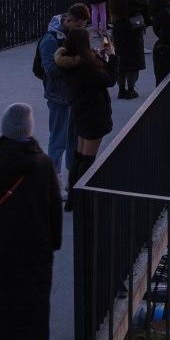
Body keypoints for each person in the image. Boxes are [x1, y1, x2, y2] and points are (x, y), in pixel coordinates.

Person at [0, 103, 62, 340]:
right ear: (30, 130)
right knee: (31, 306)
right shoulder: (44, 164)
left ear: (5, 130)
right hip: (35, 251)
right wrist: (52, 242)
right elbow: (54, 210)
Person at [56, 28, 116, 211]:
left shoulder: (68, 63)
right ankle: (80, 199)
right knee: (88, 159)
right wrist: (112, 57)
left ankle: (73, 197)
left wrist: (96, 57)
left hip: (81, 111)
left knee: (80, 156)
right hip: (94, 114)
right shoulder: (86, 66)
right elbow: (110, 79)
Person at [36, 3, 89, 184]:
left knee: (73, 140)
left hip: (74, 95)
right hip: (58, 96)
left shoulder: (71, 34)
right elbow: (50, 69)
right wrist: (79, 64)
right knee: (58, 140)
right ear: (68, 20)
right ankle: (54, 181)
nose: (81, 30)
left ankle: (71, 180)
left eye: (83, 27)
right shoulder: (50, 39)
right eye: (78, 26)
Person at [108, 0, 148, 99]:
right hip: (132, 30)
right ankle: (131, 89)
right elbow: (144, 3)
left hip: (119, 31)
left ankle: (121, 89)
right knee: (133, 62)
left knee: (122, 60)